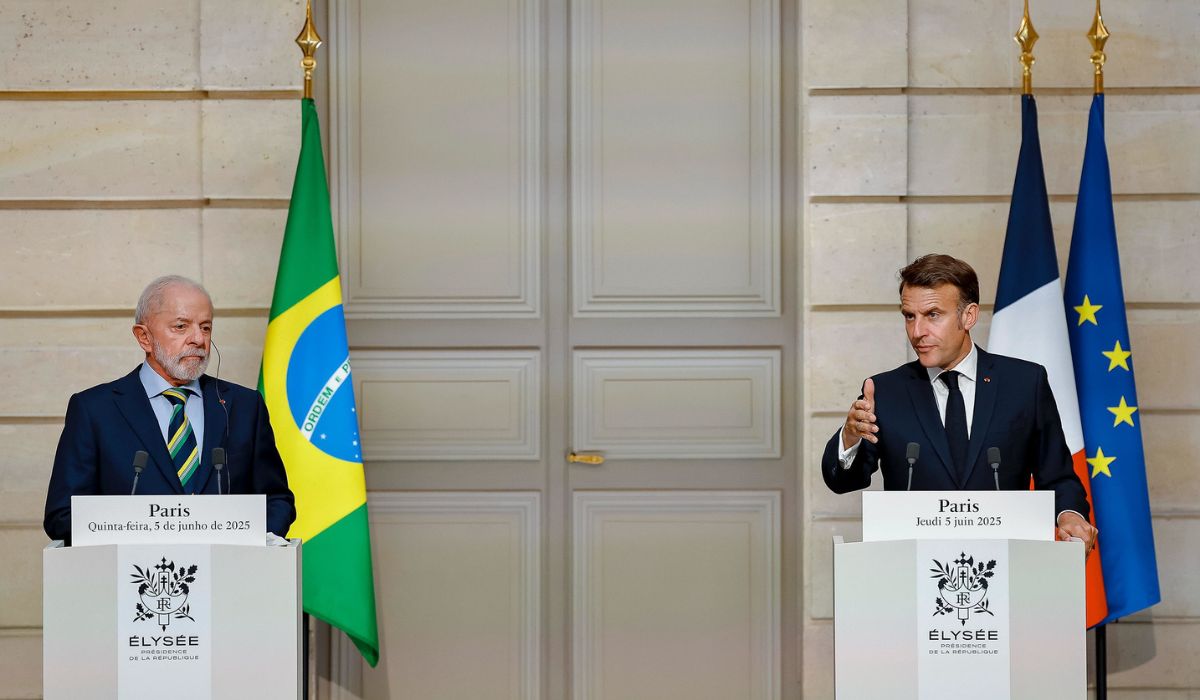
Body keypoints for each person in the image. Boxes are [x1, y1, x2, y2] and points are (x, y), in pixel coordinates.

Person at [821, 254, 1098, 554]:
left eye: (933, 315)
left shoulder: (1024, 383)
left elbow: (1058, 477)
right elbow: (842, 481)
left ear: (969, 316)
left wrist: (1070, 515)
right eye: (909, 316)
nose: (917, 331)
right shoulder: (885, 391)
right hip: (911, 567)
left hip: (1007, 563)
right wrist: (849, 438)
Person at [43, 275, 296, 541]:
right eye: (181, 326)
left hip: (230, 564)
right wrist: (136, 536)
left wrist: (254, 541)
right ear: (144, 337)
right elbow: (63, 515)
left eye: (206, 327)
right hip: (134, 566)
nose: (198, 339)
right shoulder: (95, 410)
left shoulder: (244, 406)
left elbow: (276, 499)